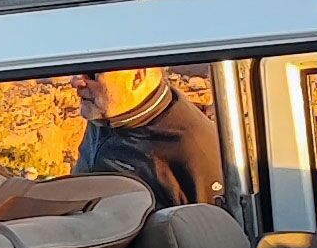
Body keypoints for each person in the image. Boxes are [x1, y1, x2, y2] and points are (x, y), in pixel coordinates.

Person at [77, 66, 223, 209]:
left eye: (92, 73)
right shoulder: (109, 113)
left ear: (137, 76)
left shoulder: (194, 150)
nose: (76, 82)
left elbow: (214, 229)